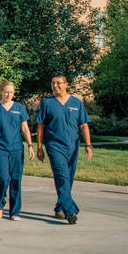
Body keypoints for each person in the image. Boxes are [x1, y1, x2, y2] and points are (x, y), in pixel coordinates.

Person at [36, 74, 92, 225]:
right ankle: (70, 211)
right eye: (53, 83)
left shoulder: (76, 103)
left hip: (73, 146)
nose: (55, 86)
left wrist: (88, 145)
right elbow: (40, 126)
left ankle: (59, 208)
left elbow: (83, 125)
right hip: (54, 145)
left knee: (68, 179)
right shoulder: (47, 103)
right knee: (62, 176)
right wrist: (39, 147)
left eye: (58, 83)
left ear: (66, 84)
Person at [0, 81, 35, 220]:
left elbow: (25, 128)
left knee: (16, 179)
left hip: (16, 149)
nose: (9, 95)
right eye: (6, 92)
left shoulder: (19, 108)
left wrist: (30, 145)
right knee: (3, 178)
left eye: (11, 92)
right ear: (1, 92)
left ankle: (14, 212)